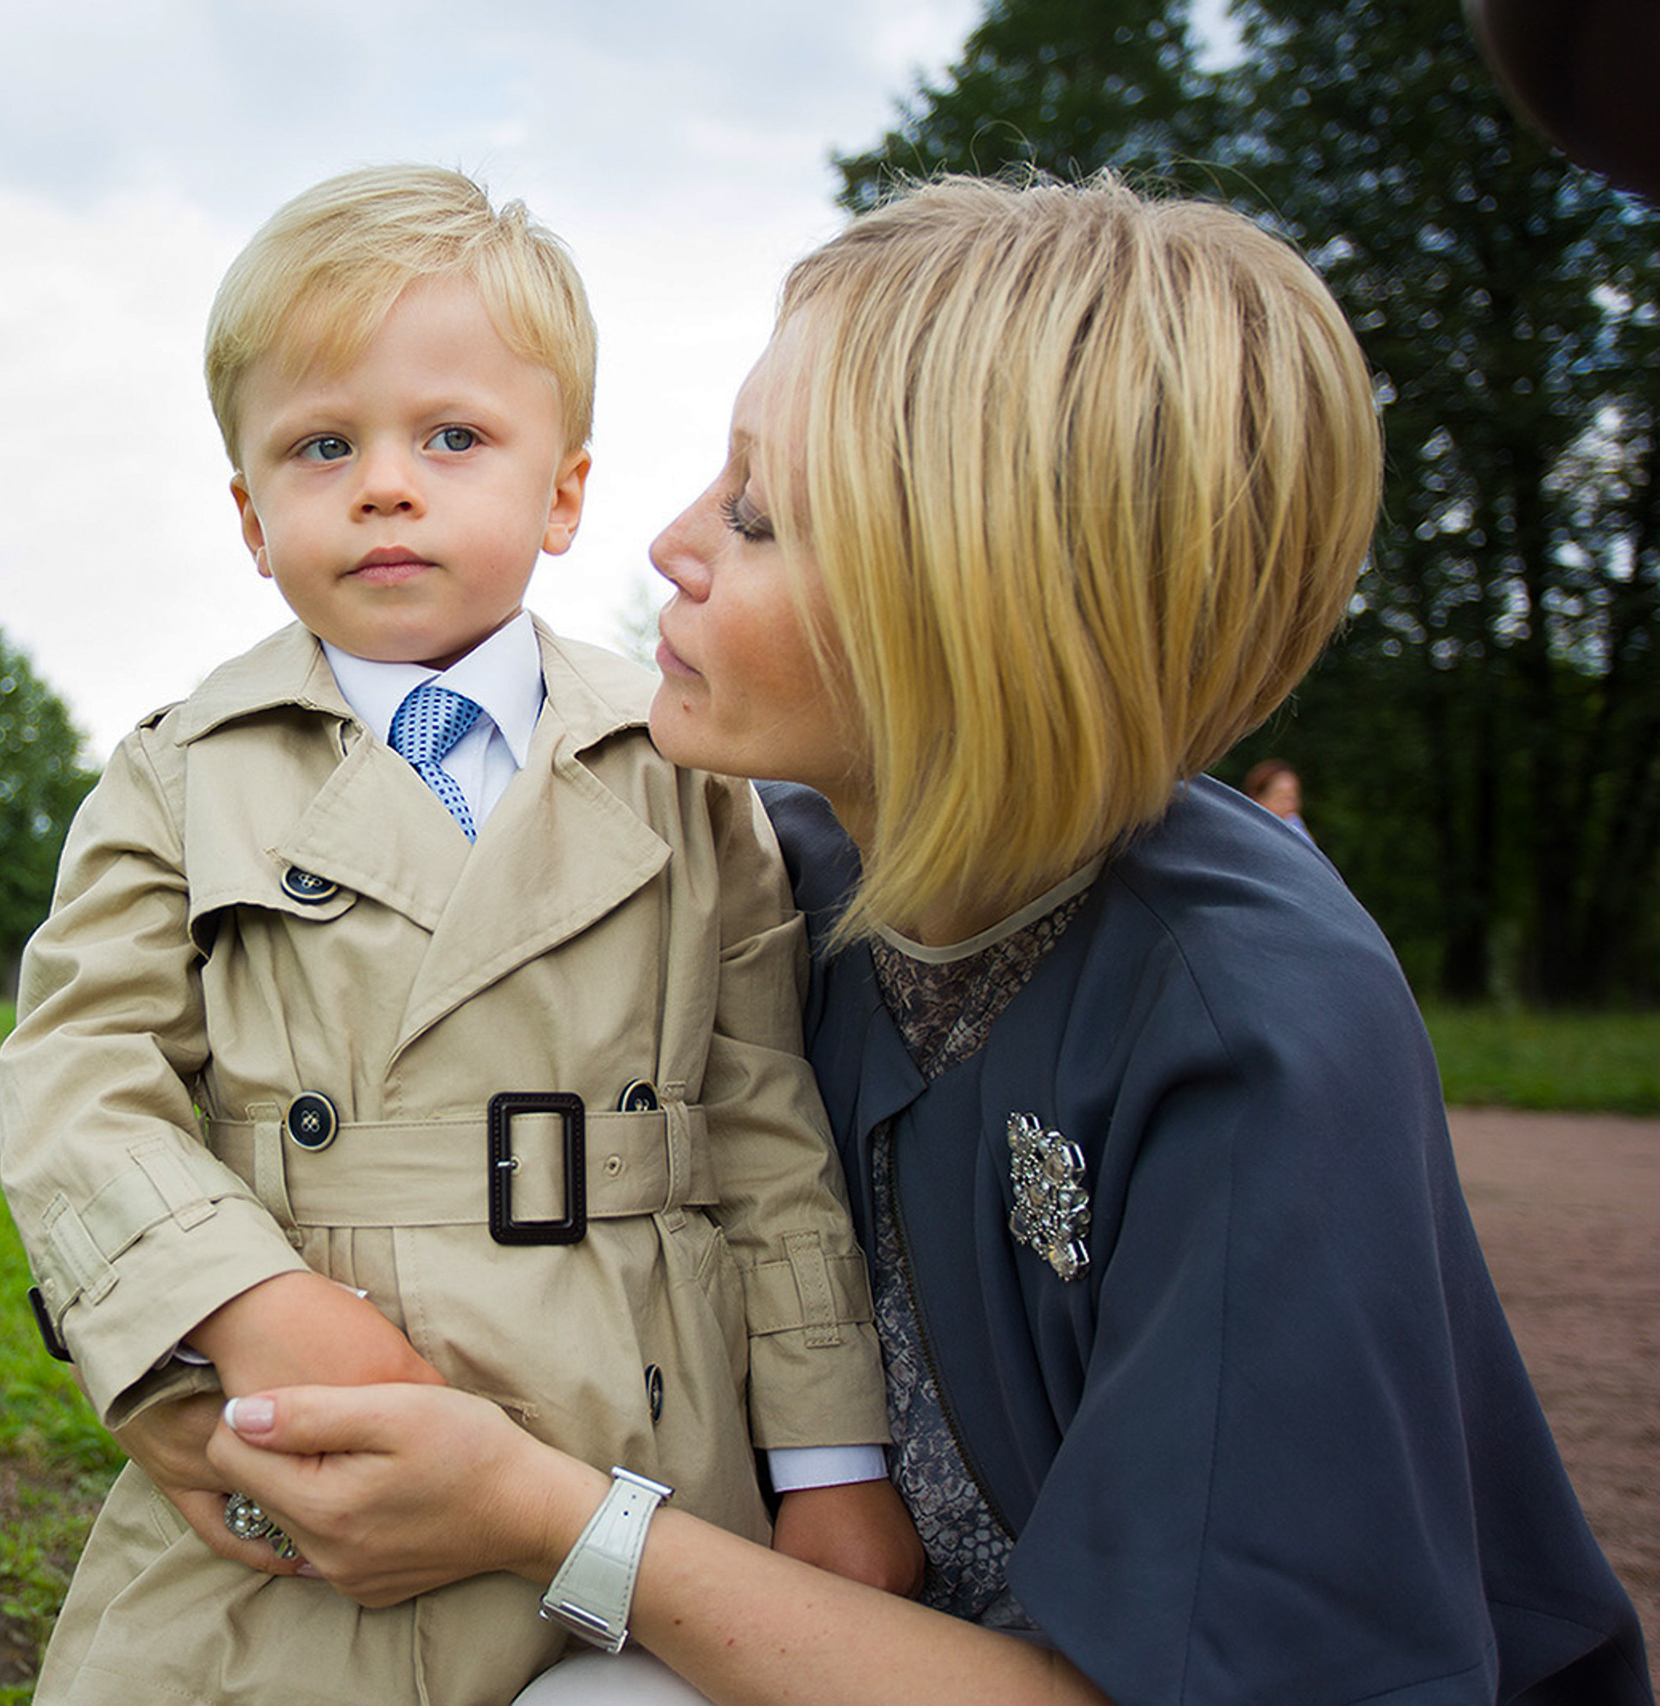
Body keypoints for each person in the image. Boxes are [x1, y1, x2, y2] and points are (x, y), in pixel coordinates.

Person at [190, 177, 1652, 1705]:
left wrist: (550, 1517)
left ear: (974, 613)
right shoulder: (759, 872)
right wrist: (214, 1377)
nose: (674, 542)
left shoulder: (1253, 1020)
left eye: (756, 513)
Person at [0, 164, 910, 1706]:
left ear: (564, 492)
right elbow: (81, 1074)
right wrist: (238, 1299)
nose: (385, 485)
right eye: (321, 444)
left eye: (454, 437)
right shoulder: (177, 775)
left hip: (633, 1422)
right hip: (313, 1420)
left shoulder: (679, 771)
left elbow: (767, 1122)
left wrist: (830, 1458)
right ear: (248, 513)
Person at [1241, 757, 1314, 841]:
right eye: (1282, 798)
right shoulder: (1245, 834)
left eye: (1293, 798)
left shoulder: (1296, 829)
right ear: (1258, 799)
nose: (1291, 805)